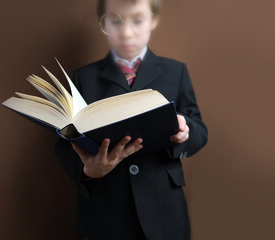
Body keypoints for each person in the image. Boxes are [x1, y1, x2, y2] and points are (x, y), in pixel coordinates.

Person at [54, 0, 208, 239]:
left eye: (137, 20)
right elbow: (64, 141)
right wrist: (88, 170)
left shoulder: (175, 71)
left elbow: (199, 128)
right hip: (106, 212)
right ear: (102, 21)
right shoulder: (84, 77)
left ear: (154, 19)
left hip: (164, 209)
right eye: (115, 21)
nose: (126, 32)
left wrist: (186, 131)